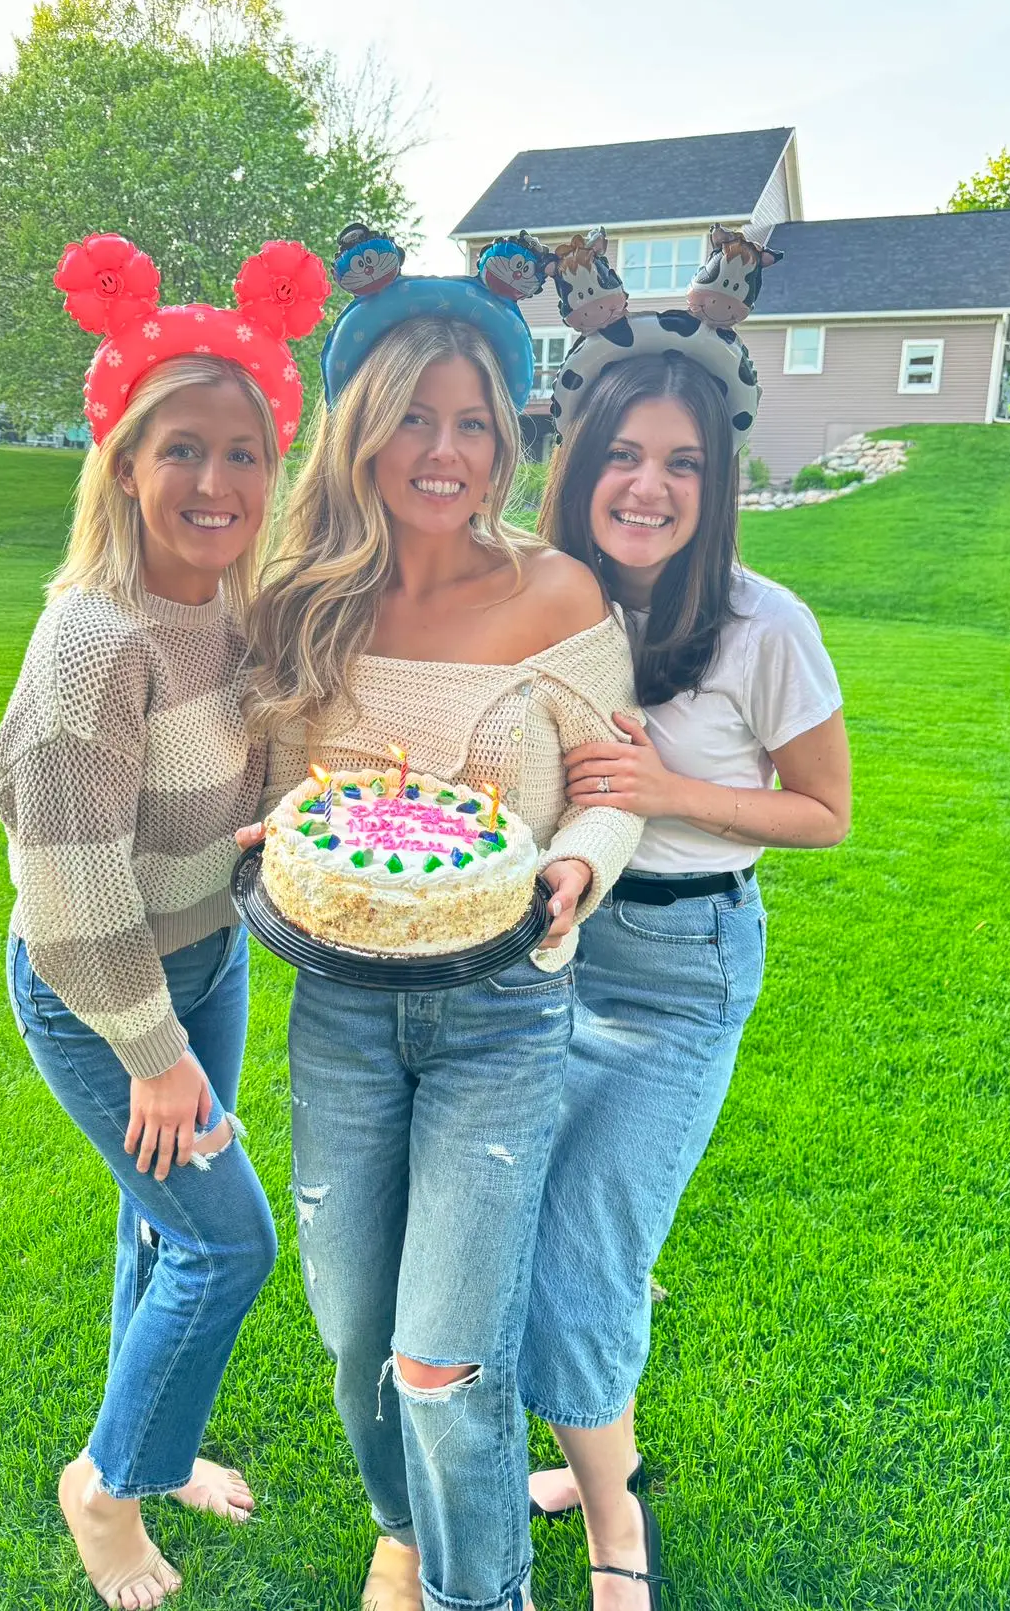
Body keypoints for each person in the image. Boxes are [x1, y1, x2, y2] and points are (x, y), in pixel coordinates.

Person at [239, 229, 643, 1611]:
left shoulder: (556, 592)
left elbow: (611, 783)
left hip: (505, 1011)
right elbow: (291, 802)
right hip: (340, 1009)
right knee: (358, 1338)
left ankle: (484, 1594)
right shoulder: (305, 603)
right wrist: (267, 838)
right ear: (361, 424)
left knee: (444, 1355)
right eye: (414, 413)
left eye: (474, 420)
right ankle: (401, 1520)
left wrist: (580, 865)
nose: (445, 447)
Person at [0, 233, 328, 1609]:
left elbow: (266, 778)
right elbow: (67, 885)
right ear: (124, 462)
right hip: (101, 990)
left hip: (207, 960)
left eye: (243, 453)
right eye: (179, 448)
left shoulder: (242, 613)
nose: (215, 481)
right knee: (222, 1240)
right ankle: (109, 1487)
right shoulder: (93, 640)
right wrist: (151, 1050)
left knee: (159, 1229)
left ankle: (163, 1446)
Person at [518, 234, 852, 1611]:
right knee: (536, 1232)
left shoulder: (764, 624)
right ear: (578, 460)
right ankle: (586, 1441)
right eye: (622, 454)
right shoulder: (541, 608)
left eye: (683, 464)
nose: (647, 485)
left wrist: (666, 789)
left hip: (680, 971)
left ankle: (615, 1531)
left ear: (714, 486)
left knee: (589, 1250)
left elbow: (824, 810)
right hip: (540, 955)